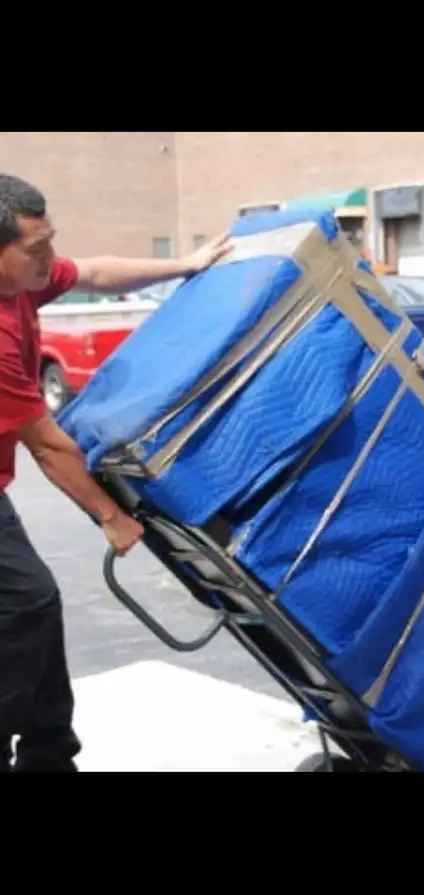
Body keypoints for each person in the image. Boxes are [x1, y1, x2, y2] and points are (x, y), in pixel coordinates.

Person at [0, 173, 232, 773]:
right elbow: (47, 446)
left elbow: (97, 271)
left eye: (50, 240)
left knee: (33, 607)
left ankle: (50, 756)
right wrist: (110, 516)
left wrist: (187, 264)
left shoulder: (20, 284)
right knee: (27, 604)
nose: (51, 258)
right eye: (37, 248)